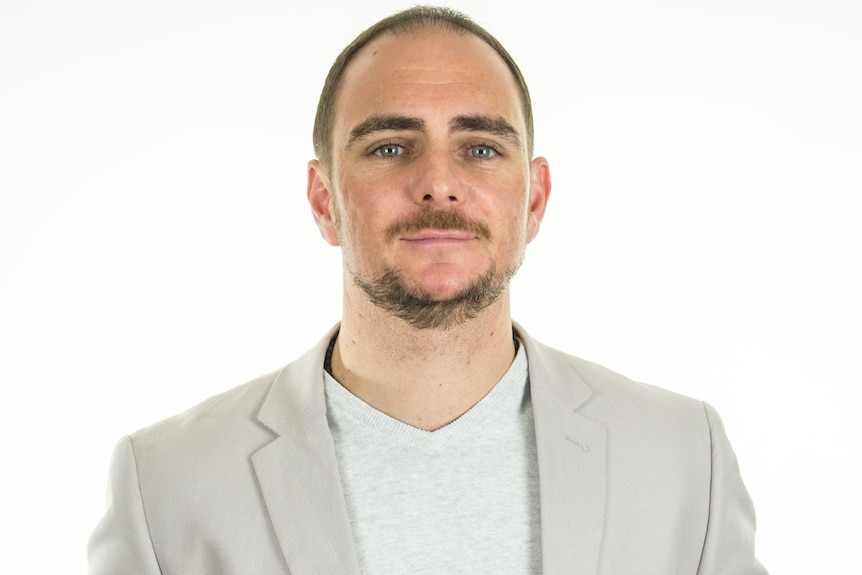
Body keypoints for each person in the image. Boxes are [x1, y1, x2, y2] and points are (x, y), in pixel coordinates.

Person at [89, 6, 767, 574]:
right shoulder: (166, 484)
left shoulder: (684, 460)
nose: (437, 182)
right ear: (324, 201)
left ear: (534, 199)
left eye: (479, 147)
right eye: (389, 146)